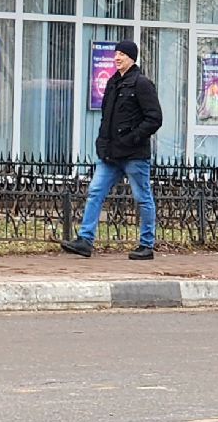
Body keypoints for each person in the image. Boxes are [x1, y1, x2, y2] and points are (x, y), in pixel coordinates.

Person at [62, 38, 161, 261]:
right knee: (95, 191)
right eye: (116, 54)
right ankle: (85, 240)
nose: (117, 58)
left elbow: (154, 119)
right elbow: (106, 118)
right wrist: (102, 143)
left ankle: (146, 245)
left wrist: (132, 138)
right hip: (110, 155)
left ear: (132, 58)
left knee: (142, 198)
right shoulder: (112, 83)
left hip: (134, 155)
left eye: (122, 54)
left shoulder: (142, 84)